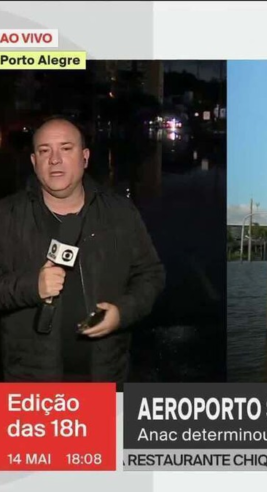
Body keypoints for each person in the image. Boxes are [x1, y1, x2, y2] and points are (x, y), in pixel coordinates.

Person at [0, 116, 165, 382]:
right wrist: (32, 286)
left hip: (106, 376)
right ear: (33, 162)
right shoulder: (6, 216)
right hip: (30, 381)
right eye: (44, 151)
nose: (55, 159)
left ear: (85, 157)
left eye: (66, 148)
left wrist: (123, 312)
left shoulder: (120, 213)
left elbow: (151, 274)